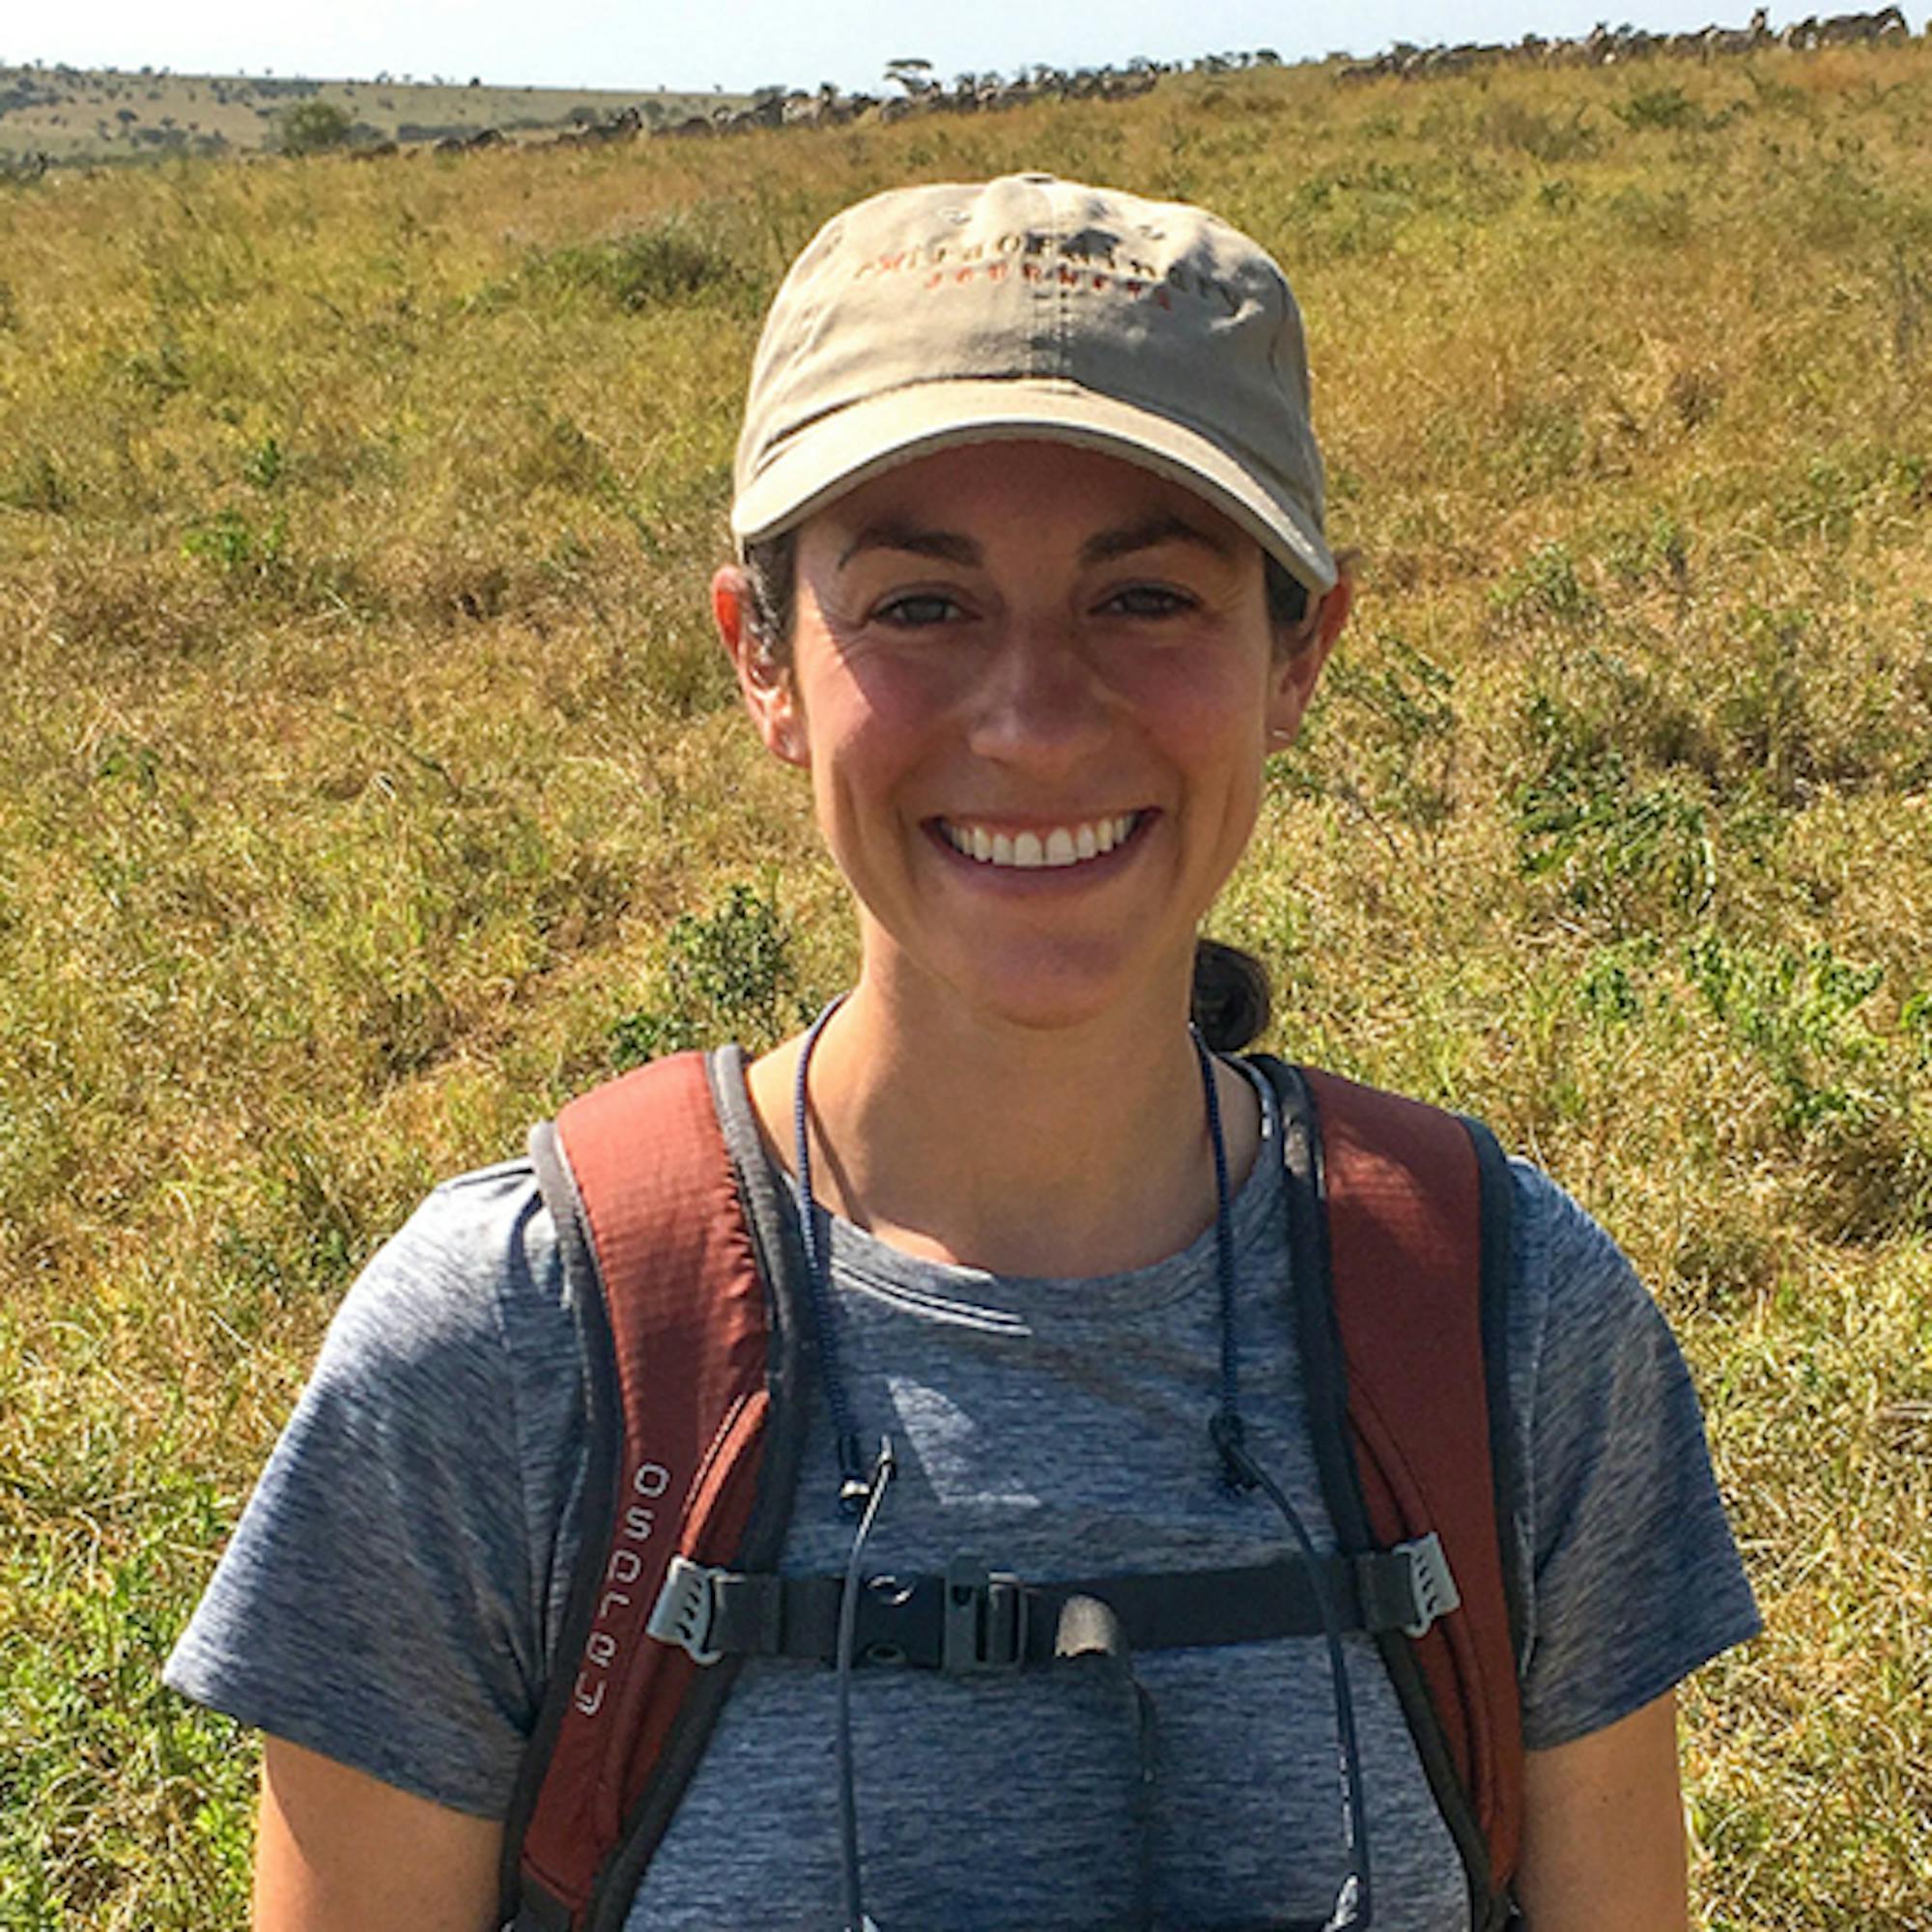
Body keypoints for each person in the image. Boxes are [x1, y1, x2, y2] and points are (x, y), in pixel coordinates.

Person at [164, 174, 1759, 1931]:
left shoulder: (1508, 1321)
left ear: (1301, 650)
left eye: (1146, 596)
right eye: (921, 607)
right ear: (759, 660)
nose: (1035, 717)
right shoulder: (512, 1353)